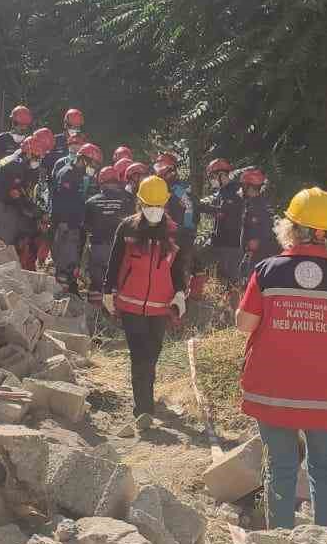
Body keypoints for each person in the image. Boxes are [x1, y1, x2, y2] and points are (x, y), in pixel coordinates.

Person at [236, 187, 327, 530]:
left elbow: (243, 325)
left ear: (291, 228)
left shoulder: (267, 271)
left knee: (282, 469)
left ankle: (281, 542)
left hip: (272, 392)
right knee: (326, 472)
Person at [101, 176, 188, 435]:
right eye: (149, 205)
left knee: (153, 353)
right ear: (140, 203)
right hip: (130, 304)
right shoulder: (127, 228)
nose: (154, 210)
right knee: (139, 355)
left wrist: (181, 294)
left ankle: (146, 397)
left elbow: (178, 269)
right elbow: (114, 261)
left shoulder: (174, 232)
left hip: (160, 307)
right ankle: (144, 409)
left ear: (165, 204)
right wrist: (107, 291)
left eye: (158, 205)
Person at [0, 127, 54, 270]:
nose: (37, 161)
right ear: (27, 152)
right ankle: (3, 268)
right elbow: (18, 197)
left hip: (3, 205)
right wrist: (37, 213)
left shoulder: (21, 161)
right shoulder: (15, 165)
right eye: (35, 157)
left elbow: (23, 195)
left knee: (27, 227)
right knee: (12, 239)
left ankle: (21, 266)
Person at [51, 142, 103, 294]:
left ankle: (68, 289)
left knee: (71, 260)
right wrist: (67, 224)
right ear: (84, 159)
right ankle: (62, 293)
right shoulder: (67, 173)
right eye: (93, 164)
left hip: (73, 225)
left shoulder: (78, 175)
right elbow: (64, 202)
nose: (94, 168)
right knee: (65, 261)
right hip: (65, 225)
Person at [83, 164, 133, 318]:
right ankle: (116, 317)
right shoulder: (127, 201)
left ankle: (95, 318)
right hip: (120, 249)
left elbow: (85, 226)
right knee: (118, 282)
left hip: (98, 247)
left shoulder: (91, 202)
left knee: (96, 283)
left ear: (100, 181)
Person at [153, 152, 198, 280]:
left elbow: (189, 207)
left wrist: (184, 229)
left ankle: (181, 295)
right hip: (171, 233)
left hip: (180, 234)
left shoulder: (178, 188)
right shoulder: (166, 187)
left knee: (179, 268)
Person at [204, 159, 246, 284]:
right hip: (220, 242)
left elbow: (226, 212)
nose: (211, 179)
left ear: (222, 174)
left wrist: (207, 208)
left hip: (233, 244)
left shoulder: (236, 191)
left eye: (213, 176)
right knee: (219, 281)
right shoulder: (221, 192)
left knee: (233, 283)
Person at [0, 105, 33, 169]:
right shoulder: (2, 139)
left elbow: (32, 167)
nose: (22, 127)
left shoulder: (30, 142)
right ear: (13, 123)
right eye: (19, 124)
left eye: (24, 125)